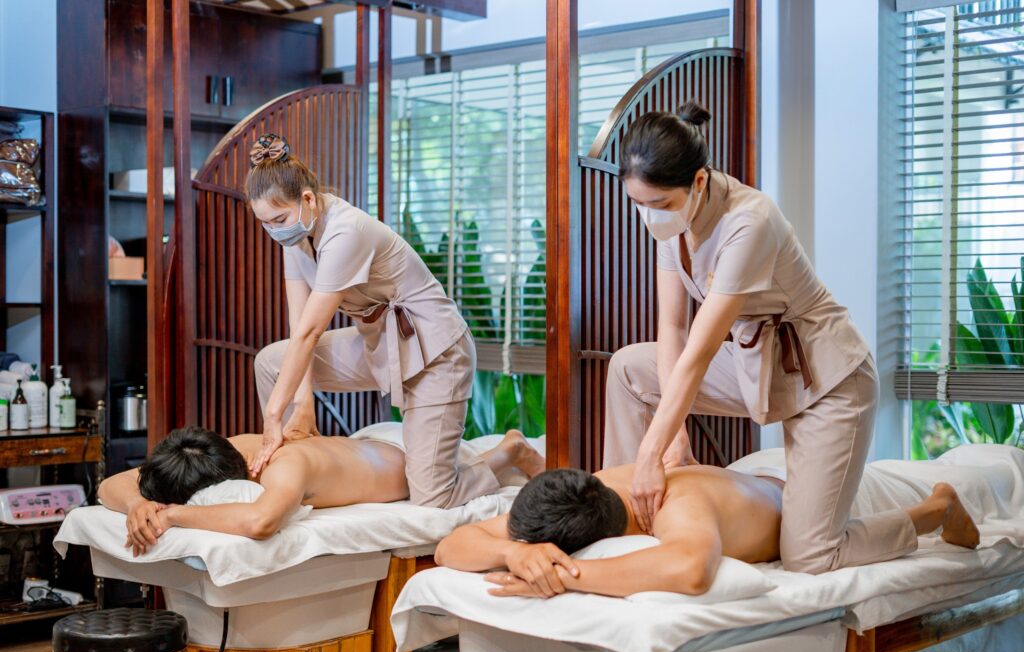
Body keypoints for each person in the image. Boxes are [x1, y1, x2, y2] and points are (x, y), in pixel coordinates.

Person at [605, 100, 903, 574]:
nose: (648, 216)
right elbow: (673, 329)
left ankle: (932, 513)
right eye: (638, 204)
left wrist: (651, 451)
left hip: (826, 378)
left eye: (658, 205)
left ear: (698, 181)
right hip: (755, 365)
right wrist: (673, 437)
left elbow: (699, 351)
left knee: (809, 556)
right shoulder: (672, 223)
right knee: (628, 368)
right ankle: (627, 514)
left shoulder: (749, 220)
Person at [245, 133, 498, 509]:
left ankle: (509, 454)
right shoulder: (295, 239)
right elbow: (299, 328)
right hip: (381, 342)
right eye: (265, 223)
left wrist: (272, 417)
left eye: (279, 219)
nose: (274, 230)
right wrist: (302, 407)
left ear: (308, 200)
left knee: (432, 497)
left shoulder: (346, 230)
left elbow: (312, 332)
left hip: (436, 351)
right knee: (270, 361)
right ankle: (300, 465)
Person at [435, 452, 981, 599]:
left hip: (819, 493)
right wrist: (512, 554)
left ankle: (938, 506)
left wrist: (561, 575)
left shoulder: (679, 510)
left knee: (814, 553)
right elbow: (449, 547)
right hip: (746, 479)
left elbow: (692, 568)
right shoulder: (584, 493)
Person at [97, 426, 543, 556]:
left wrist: (173, 515)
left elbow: (260, 522)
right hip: (364, 446)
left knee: (441, 491)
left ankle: (510, 449)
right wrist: (138, 503)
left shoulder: (285, 466)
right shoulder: (215, 452)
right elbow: (109, 485)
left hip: (408, 456)